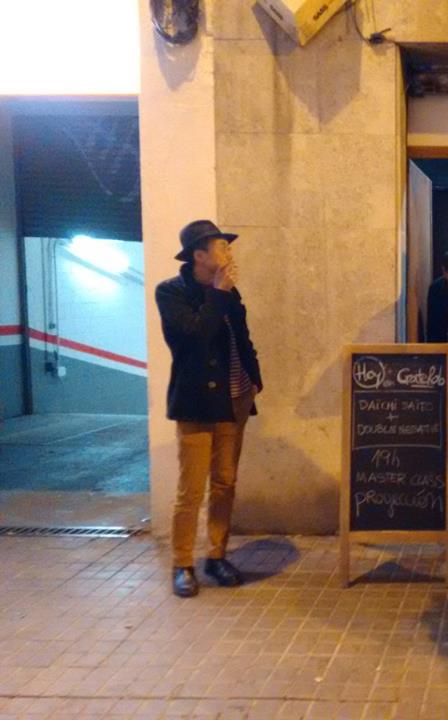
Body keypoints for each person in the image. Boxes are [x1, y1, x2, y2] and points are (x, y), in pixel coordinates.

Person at [156, 220, 263, 598]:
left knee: (225, 483)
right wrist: (218, 293)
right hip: (197, 404)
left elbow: (242, 337)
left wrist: (255, 377)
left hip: (235, 398)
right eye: (223, 247)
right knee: (191, 489)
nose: (230, 253)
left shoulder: (229, 292)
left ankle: (216, 555)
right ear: (199, 256)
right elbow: (194, 338)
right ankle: (182, 563)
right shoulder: (172, 292)